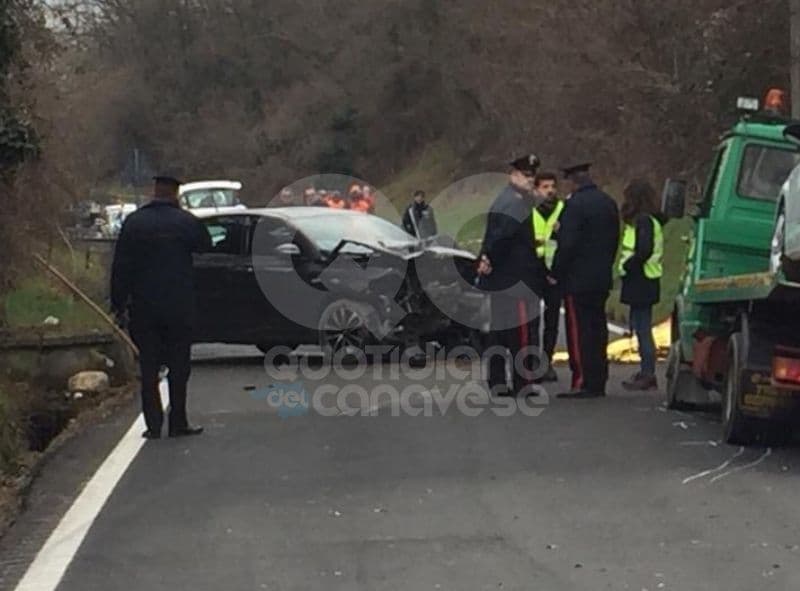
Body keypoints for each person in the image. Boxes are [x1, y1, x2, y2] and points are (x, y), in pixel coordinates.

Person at [110, 174, 212, 439]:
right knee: (180, 366)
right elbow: (206, 243)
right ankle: (178, 421)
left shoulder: (134, 223)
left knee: (149, 365)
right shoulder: (186, 222)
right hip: (179, 306)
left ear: (153, 192)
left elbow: (120, 267)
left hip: (144, 307)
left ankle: (153, 425)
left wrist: (118, 304)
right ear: (175, 194)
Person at [478, 154, 547, 397]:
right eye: (526, 175)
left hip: (502, 278)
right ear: (514, 175)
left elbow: (493, 235)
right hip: (515, 278)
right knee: (520, 332)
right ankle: (523, 381)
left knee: (499, 331)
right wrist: (490, 257)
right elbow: (503, 235)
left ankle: (497, 380)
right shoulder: (516, 203)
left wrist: (486, 258)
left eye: (532, 176)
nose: (531, 180)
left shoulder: (504, 199)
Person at [551, 162, 620, 399]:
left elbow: (567, 244)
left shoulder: (574, 206)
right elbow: (614, 240)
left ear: (573, 182)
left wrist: (556, 271)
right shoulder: (608, 203)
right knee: (598, 329)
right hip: (601, 276)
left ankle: (582, 379)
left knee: (579, 330)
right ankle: (599, 378)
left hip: (577, 279)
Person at [619, 179, 665, 391]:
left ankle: (648, 373)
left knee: (643, 329)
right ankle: (645, 371)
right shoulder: (649, 220)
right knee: (639, 327)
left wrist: (628, 266)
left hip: (642, 279)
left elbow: (643, 251)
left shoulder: (644, 221)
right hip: (644, 280)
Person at [530, 171, 564, 382]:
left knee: (552, 320)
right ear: (536, 189)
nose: (550, 190)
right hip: (533, 270)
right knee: (532, 320)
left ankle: (547, 361)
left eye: (552, 186)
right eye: (545, 186)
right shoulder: (528, 210)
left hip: (554, 271)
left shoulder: (563, 209)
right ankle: (532, 361)